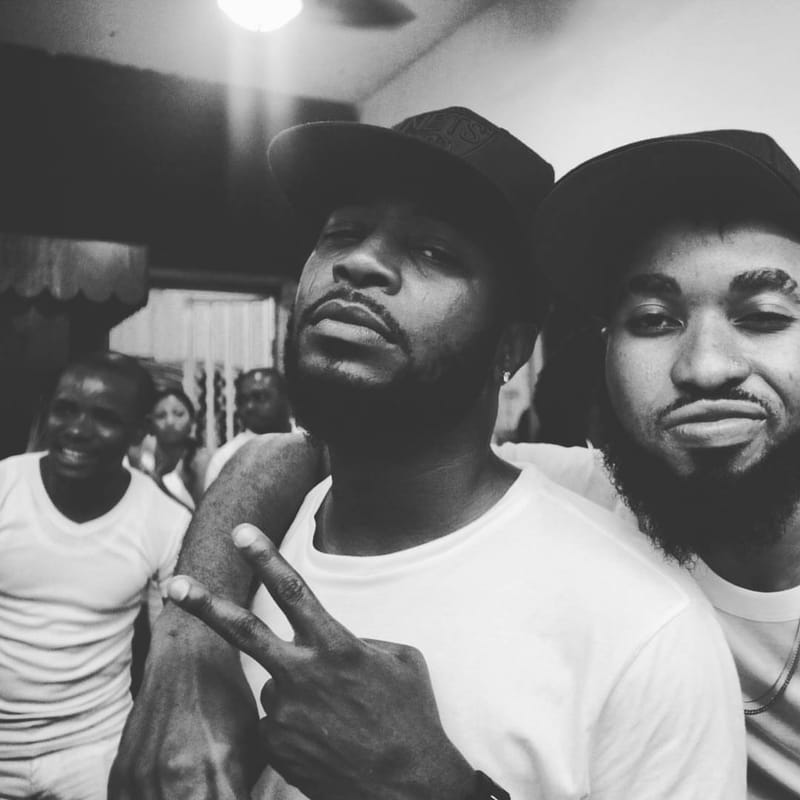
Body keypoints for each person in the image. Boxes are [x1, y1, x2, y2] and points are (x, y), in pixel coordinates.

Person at [111, 108, 745, 799]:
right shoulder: (259, 529)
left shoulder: (644, 625)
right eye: (342, 233)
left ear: (511, 345)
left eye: (435, 252)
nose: (358, 263)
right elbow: (278, 453)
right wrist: (188, 643)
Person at [0, 351, 191, 800]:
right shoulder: (5, 487)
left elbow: (178, 644)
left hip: (94, 749)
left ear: (139, 432)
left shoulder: (164, 520)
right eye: (65, 410)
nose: (77, 429)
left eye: (104, 417)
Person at [203, 367, 292, 489]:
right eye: (242, 400)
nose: (249, 406)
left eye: (260, 397)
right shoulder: (226, 458)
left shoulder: (311, 443)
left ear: (286, 398)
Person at [145, 386, 210, 509]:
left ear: (192, 422)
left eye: (179, 414)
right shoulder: (143, 458)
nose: (170, 422)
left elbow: (205, 514)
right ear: (150, 424)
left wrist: (160, 485)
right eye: (161, 416)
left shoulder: (200, 461)